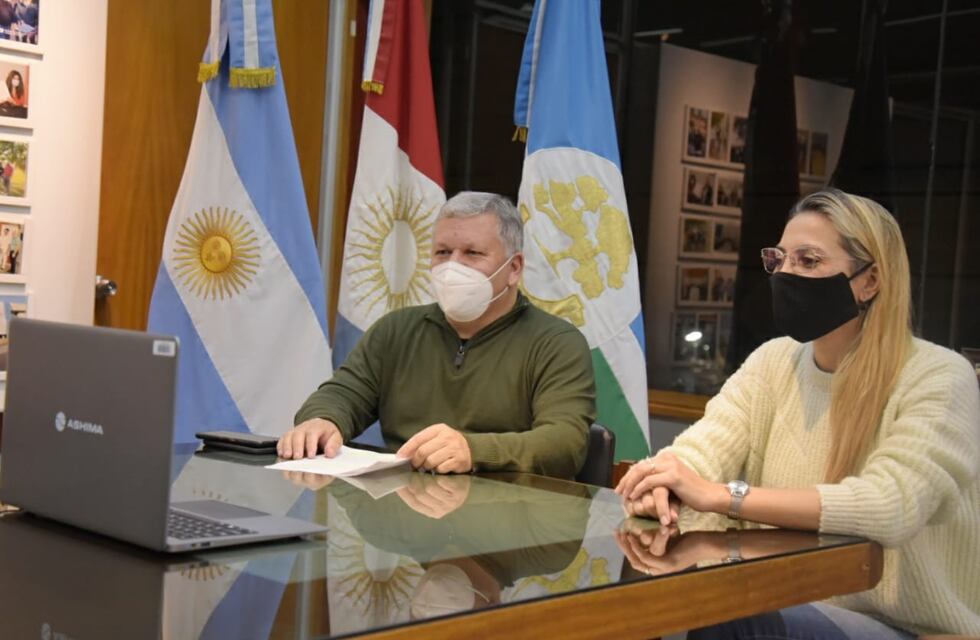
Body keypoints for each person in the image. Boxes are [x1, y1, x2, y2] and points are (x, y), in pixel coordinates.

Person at [616, 188, 979, 637]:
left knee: (730, 613)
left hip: (906, 624)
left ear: (870, 281)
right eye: (780, 259)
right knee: (691, 602)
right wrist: (663, 485)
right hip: (787, 594)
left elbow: (890, 505)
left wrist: (719, 495)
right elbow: (702, 448)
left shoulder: (939, 375)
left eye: (809, 261)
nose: (787, 274)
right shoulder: (774, 360)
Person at [278, 191, 596, 478]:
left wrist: (473, 451)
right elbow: (342, 394)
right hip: (402, 522)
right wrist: (322, 420)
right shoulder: (397, 330)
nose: (452, 266)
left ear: (514, 269)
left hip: (507, 522)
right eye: (443, 252)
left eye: (472, 253)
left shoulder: (556, 343)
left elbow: (564, 443)